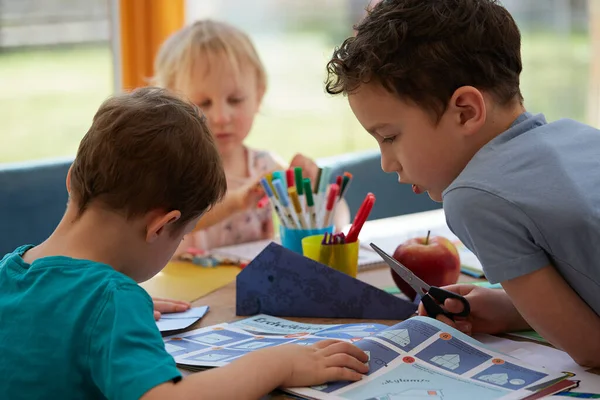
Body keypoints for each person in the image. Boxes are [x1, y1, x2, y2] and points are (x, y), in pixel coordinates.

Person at [0, 87, 369, 399]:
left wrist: (109, 305)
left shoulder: (9, 272)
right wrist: (278, 364)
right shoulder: (111, 303)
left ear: (71, 180)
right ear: (162, 226)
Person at [325, 0, 600, 367]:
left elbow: (591, 348)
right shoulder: (580, 137)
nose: (387, 163)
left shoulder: (475, 197)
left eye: (389, 137)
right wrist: (514, 306)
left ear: (466, 111)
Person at [152, 19, 350, 254]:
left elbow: (339, 222)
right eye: (204, 103)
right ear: (174, 107)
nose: (222, 117)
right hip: (191, 290)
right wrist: (236, 201)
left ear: (258, 94)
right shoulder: (176, 172)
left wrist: (319, 192)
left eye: (235, 100)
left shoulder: (265, 167)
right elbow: (175, 224)